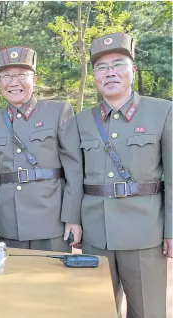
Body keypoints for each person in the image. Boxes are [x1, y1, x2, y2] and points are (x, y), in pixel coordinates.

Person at [77, 32, 171, 318]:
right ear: (94, 77)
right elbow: (73, 176)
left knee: (148, 311)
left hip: (145, 233)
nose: (110, 73)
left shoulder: (163, 111)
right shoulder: (82, 120)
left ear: (133, 70)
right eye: (101, 68)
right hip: (96, 233)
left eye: (118, 64)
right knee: (98, 310)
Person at [0, 46, 83, 251]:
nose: (14, 82)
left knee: (52, 281)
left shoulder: (58, 111)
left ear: (34, 79)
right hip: (8, 223)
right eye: (6, 76)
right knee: (13, 282)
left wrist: (72, 217)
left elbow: (74, 170)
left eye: (21, 75)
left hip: (52, 221)